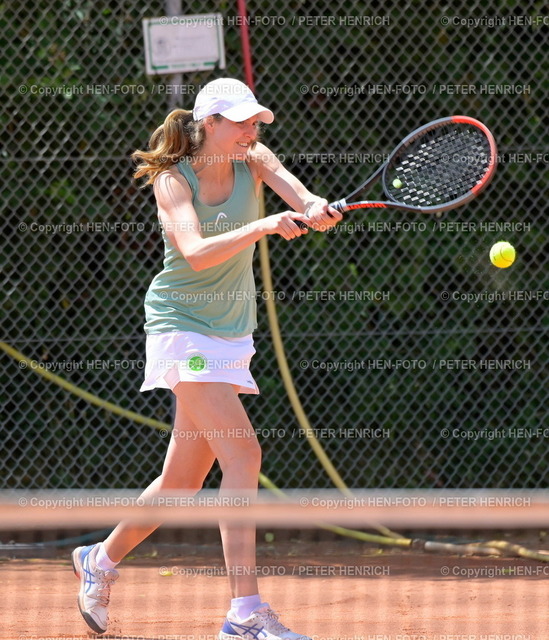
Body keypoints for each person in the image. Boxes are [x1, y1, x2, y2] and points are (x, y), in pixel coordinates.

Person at [71, 77, 342, 637]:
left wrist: (316, 209)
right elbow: (194, 252)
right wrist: (265, 224)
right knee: (244, 454)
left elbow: (300, 196)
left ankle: (99, 559)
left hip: (231, 333)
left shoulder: (255, 158)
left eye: (254, 121)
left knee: (181, 481)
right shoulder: (173, 179)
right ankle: (245, 614)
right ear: (209, 124)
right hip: (181, 329)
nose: (250, 131)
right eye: (240, 121)